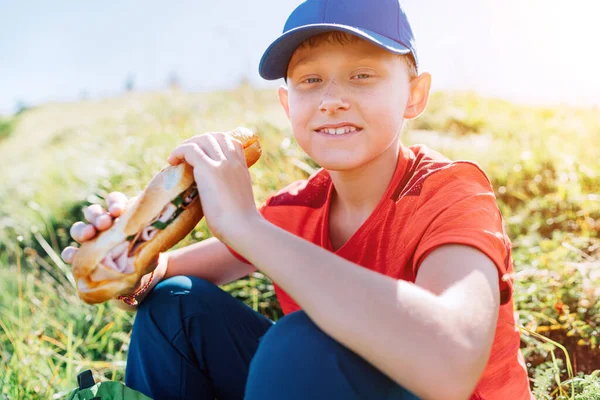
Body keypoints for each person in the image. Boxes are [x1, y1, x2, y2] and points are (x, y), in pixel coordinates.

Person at [61, 0, 536, 399]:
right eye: (310, 80)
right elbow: (160, 279)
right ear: (288, 105)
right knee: (174, 306)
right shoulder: (297, 208)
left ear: (414, 95)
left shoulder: (450, 190)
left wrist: (246, 225)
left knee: (299, 344)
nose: (332, 99)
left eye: (362, 75)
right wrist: (128, 257)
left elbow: (449, 363)